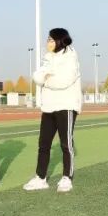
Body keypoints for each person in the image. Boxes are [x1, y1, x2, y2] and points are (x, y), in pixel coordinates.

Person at [24, 28, 83, 193]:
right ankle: (40, 177)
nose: (48, 42)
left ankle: (67, 177)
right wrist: (45, 78)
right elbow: (37, 76)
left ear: (59, 40)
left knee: (66, 144)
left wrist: (46, 81)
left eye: (51, 40)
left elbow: (64, 81)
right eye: (47, 39)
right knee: (43, 144)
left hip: (66, 105)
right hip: (49, 106)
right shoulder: (48, 57)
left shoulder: (71, 57)